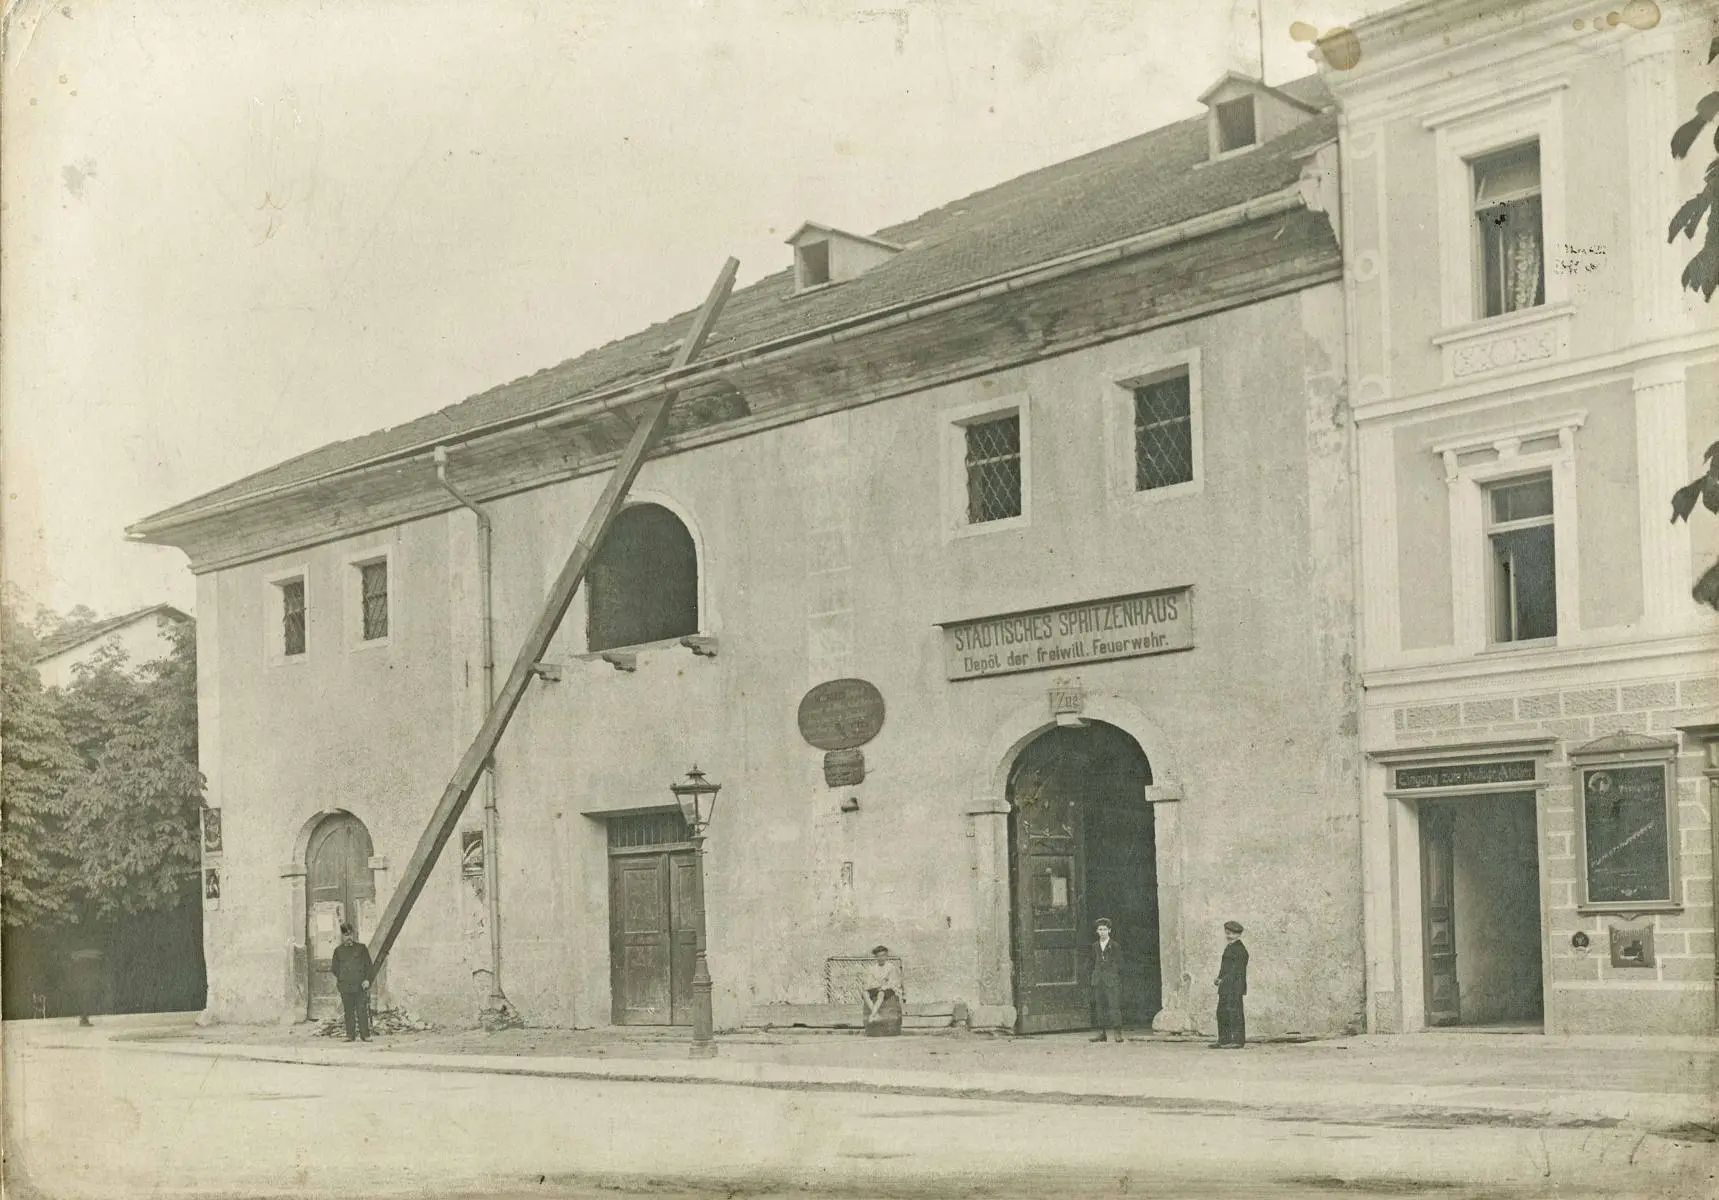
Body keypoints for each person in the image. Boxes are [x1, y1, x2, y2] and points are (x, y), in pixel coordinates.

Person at [331, 923, 373, 1042]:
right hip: (345, 986)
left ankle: (365, 1035)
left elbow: (369, 966)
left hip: (360, 985)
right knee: (348, 1011)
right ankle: (350, 1035)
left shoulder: (361, 948)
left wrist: (367, 980)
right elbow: (334, 968)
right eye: (345, 935)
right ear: (342, 936)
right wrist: (343, 978)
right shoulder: (338, 951)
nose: (348, 937)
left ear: (353, 935)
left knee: (361, 1010)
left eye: (350, 935)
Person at [1211, 920, 1248, 1049]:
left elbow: (1236, 971)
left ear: (1238, 935)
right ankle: (1224, 1040)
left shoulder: (1240, 950)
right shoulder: (1230, 947)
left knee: (1234, 1013)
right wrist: (1219, 977)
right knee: (1222, 1013)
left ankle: (1237, 1041)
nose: (1229, 936)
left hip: (1234, 987)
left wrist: (1223, 980)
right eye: (1227, 933)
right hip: (1226, 987)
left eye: (1232, 933)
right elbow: (1225, 968)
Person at [1089, 918, 1124, 1043]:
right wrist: (1096, 974)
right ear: (1097, 931)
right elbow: (1092, 962)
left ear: (1109, 930)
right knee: (1100, 1006)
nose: (1102, 932)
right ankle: (1101, 1033)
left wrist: (1111, 973)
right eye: (1100, 929)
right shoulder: (1094, 946)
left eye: (1104, 929)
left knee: (1114, 1005)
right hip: (1099, 980)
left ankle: (1117, 1032)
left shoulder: (1114, 946)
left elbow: (1120, 963)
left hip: (1111, 980)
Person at [860, 945, 904, 1037]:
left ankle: (872, 1015)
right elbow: (869, 982)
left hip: (887, 989)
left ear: (886, 956)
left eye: (883, 955)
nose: (881, 958)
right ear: (876, 957)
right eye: (879, 956)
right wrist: (876, 985)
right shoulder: (872, 968)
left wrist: (884, 986)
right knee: (865, 993)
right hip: (876, 987)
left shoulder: (891, 967)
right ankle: (875, 1014)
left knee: (881, 994)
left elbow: (894, 982)